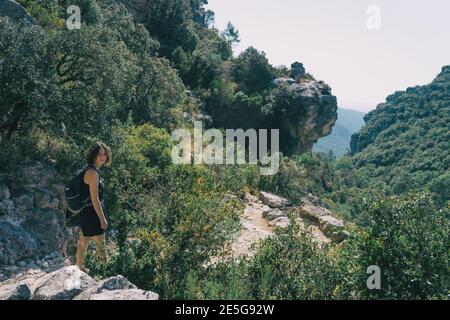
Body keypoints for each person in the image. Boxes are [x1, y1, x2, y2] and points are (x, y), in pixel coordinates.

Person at [75, 141, 112, 271]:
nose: (102, 157)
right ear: (93, 155)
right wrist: (102, 219)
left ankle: (79, 268)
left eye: (104, 154)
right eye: (99, 154)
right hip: (92, 212)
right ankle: (103, 271)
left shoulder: (90, 170)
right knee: (100, 242)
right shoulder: (92, 173)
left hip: (87, 211)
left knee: (84, 240)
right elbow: (95, 198)